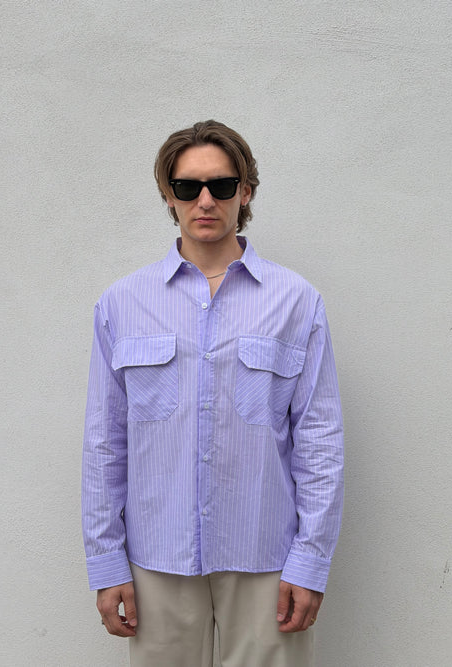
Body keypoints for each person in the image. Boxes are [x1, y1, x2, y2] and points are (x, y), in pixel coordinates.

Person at [82, 120, 344, 667]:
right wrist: (106, 562)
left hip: (266, 557)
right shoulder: (122, 304)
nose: (205, 201)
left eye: (222, 185)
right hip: (156, 559)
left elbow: (319, 442)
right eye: (188, 186)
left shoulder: (296, 302)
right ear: (168, 194)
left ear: (244, 192)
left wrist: (310, 562)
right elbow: (105, 444)